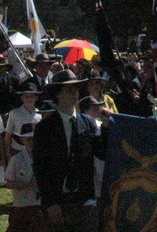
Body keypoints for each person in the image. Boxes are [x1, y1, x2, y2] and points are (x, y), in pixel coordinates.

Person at [32, 70, 110, 232]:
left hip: (84, 200)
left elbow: (101, 152)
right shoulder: (45, 127)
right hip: (58, 198)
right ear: (58, 94)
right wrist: (50, 203)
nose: (74, 93)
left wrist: (106, 128)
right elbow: (41, 168)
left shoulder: (88, 122)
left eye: (76, 89)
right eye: (68, 90)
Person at [4, 122, 42, 232]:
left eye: (34, 138)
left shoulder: (45, 159)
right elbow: (9, 183)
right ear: (22, 140)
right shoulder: (16, 160)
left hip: (40, 206)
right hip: (21, 206)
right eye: (28, 139)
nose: (32, 142)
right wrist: (29, 185)